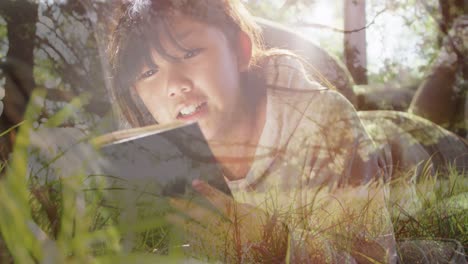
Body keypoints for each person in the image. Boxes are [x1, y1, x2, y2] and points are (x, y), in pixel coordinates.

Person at [106, 0, 466, 262]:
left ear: (239, 51)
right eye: (148, 72)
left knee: (445, 119)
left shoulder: (322, 121)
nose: (175, 85)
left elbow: (372, 257)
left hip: (412, 147)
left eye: (188, 53)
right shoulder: (157, 152)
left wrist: (271, 241)